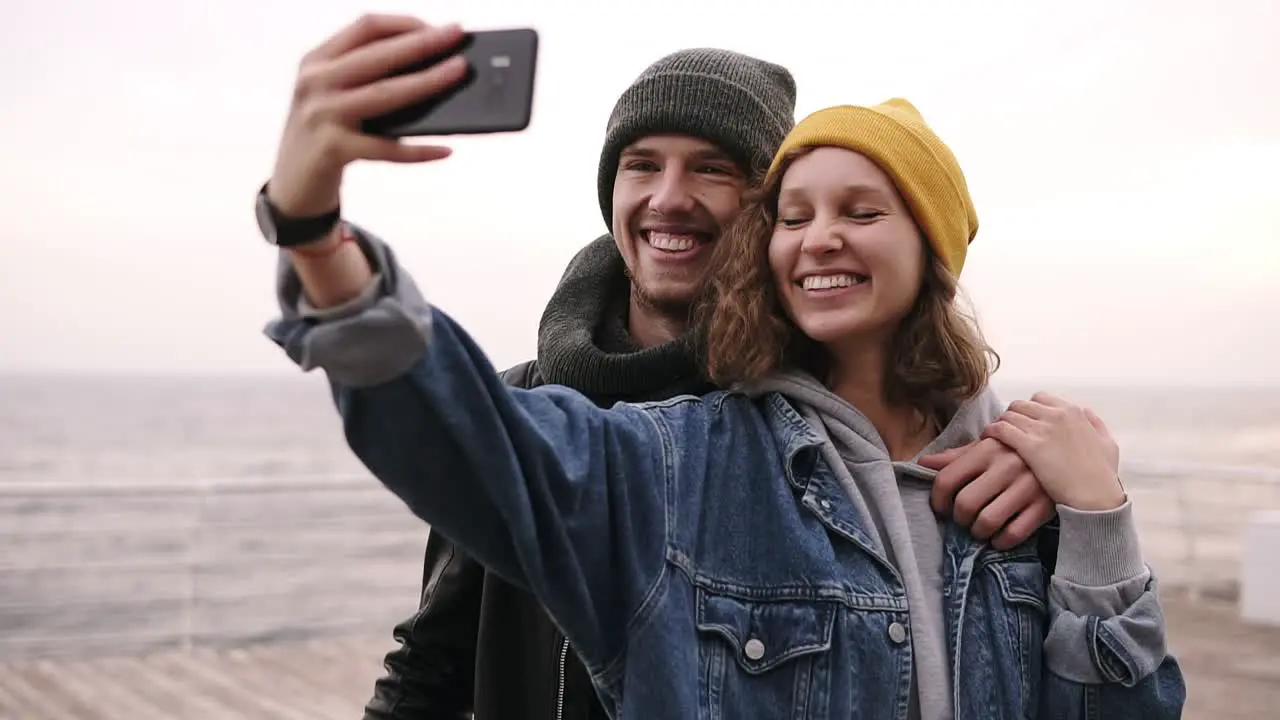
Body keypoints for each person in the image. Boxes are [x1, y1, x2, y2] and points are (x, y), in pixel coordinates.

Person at [254, 15, 1094, 719]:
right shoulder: (584, 426)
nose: (667, 198)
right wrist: (311, 230)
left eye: (713, 168)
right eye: (641, 165)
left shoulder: (865, 445)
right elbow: (431, 657)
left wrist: (1074, 490)